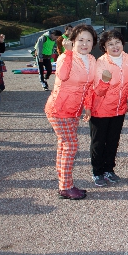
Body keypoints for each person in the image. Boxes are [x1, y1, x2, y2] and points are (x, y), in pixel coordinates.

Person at [45, 24, 98, 200]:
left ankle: (64, 184)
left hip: (74, 110)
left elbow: (90, 87)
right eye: (80, 40)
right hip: (60, 108)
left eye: (89, 40)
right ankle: (66, 187)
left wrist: (88, 107)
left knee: (64, 145)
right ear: (72, 41)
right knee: (70, 145)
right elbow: (62, 75)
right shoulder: (65, 57)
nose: (85, 43)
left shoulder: (91, 59)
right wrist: (67, 53)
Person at [87, 30, 128, 187]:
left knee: (113, 141)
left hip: (119, 109)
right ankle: (97, 172)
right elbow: (98, 91)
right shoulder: (101, 62)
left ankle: (109, 169)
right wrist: (105, 81)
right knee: (99, 142)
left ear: (122, 43)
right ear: (104, 47)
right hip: (100, 109)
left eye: (117, 42)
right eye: (110, 44)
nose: (115, 46)